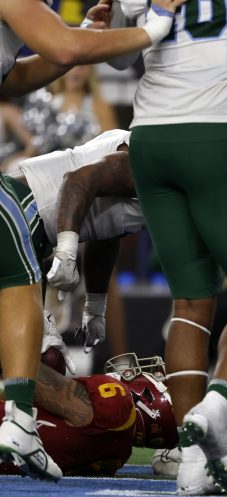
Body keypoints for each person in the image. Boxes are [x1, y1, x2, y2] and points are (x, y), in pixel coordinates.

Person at [108, 0, 227, 495]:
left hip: (149, 136)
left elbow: (114, 56)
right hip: (219, 130)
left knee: (191, 302)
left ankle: (193, 460)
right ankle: (217, 406)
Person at [0, 0, 185, 482]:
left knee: (46, 357)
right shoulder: (146, 155)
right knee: (32, 346)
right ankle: (20, 421)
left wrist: (97, 303)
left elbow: (109, 229)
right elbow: (82, 183)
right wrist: (153, 30)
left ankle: (21, 422)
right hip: (26, 209)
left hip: (31, 219)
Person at [6, 129, 142, 353]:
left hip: (28, 229)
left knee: (37, 355)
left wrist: (95, 307)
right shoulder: (147, 160)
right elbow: (77, 180)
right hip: (16, 213)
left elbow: (107, 232)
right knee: (29, 354)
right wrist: (66, 254)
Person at [0, 351, 177, 476]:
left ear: (149, 403)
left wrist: (20, 339)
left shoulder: (116, 403)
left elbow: (25, 375)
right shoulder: (118, 455)